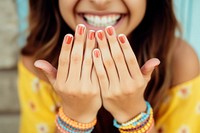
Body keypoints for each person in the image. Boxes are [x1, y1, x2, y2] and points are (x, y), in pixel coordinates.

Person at [18, 0, 200, 133]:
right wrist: (75, 116)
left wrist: (133, 115)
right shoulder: (38, 65)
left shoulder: (180, 63)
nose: (100, 2)